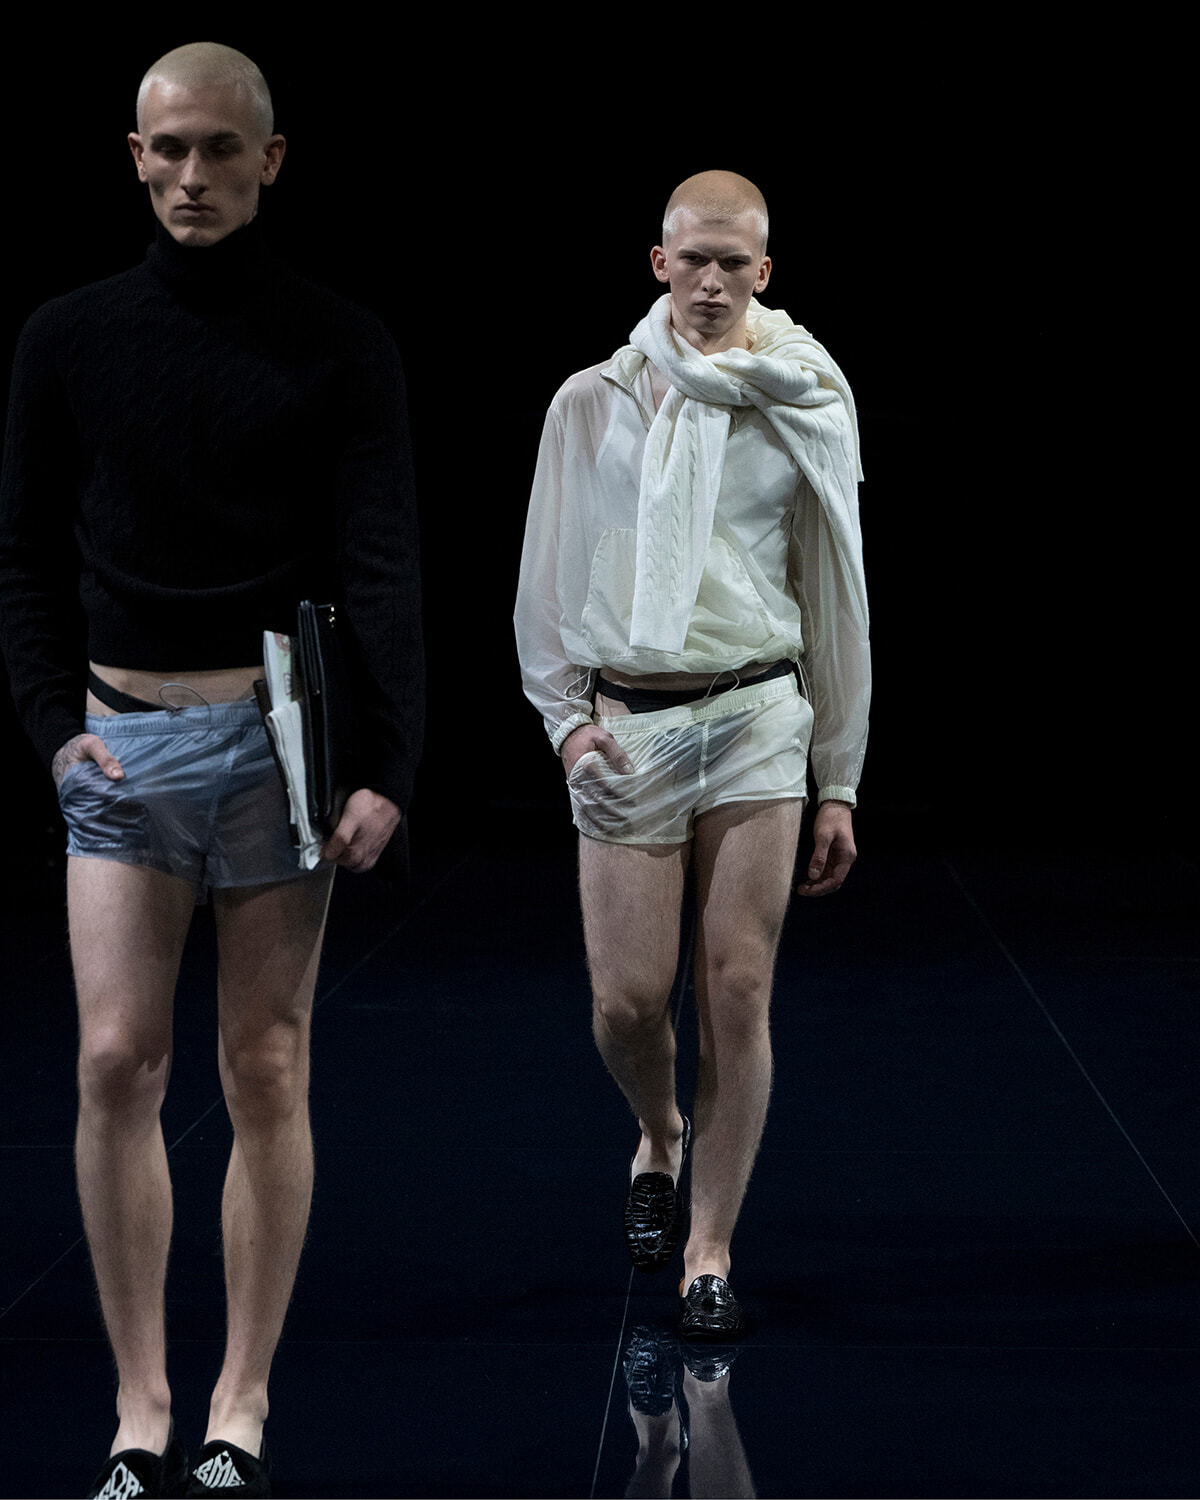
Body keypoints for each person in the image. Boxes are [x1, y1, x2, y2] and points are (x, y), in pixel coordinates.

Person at [0, 43, 422, 1499]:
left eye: (221, 152)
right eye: (169, 150)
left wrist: (385, 759)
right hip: (122, 737)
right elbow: (23, 554)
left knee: (265, 1062)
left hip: (278, 736)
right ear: (133, 153)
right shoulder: (68, 334)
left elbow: (379, 561)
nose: (193, 177)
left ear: (270, 159)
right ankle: (138, 1402)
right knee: (116, 1058)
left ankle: (240, 1395)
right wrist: (57, 723)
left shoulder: (336, 338)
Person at [515, 171, 868, 1339]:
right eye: (693, 259)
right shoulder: (592, 400)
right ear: (657, 262)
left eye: (735, 262)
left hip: (761, 713)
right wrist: (566, 719)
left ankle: (709, 1248)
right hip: (630, 722)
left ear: (766, 272)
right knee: (625, 1005)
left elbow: (836, 594)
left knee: (739, 988)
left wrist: (841, 776)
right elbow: (547, 579)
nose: (712, 280)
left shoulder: (806, 394)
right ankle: (661, 1129)